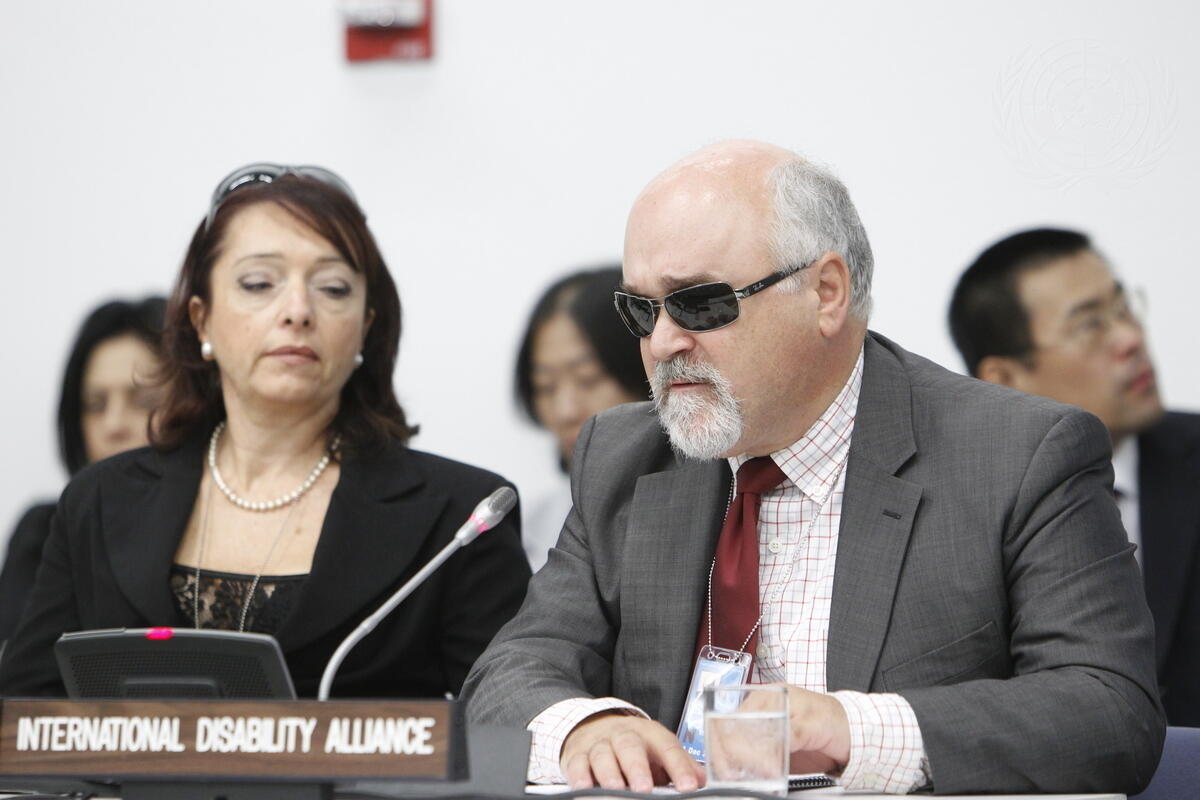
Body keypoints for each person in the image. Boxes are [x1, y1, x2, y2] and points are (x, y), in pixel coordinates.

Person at [462, 141, 1164, 795]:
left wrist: (849, 730)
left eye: (699, 304)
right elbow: (511, 670)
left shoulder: (1018, 454)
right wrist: (586, 727)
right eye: (641, 311)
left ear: (826, 292)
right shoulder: (622, 456)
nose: (663, 342)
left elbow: (1110, 711)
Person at [0, 163, 530, 697]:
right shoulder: (97, 502)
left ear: (365, 327)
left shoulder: (461, 520)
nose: (298, 311)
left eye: (333, 288)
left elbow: (507, 717)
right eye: (259, 283)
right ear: (201, 319)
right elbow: (25, 714)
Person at [949, 227, 1200, 726]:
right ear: (1004, 379)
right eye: (1089, 326)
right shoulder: (954, 515)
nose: (1130, 339)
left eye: (1124, 308)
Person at [0, 297, 166, 643]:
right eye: (95, 405)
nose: (114, 425)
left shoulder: (218, 532)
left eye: (144, 401)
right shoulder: (41, 534)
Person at [515, 266, 649, 569]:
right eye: (545, 386)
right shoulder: (526, 532)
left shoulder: (720, 510)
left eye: (589, 378)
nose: (566, 410)